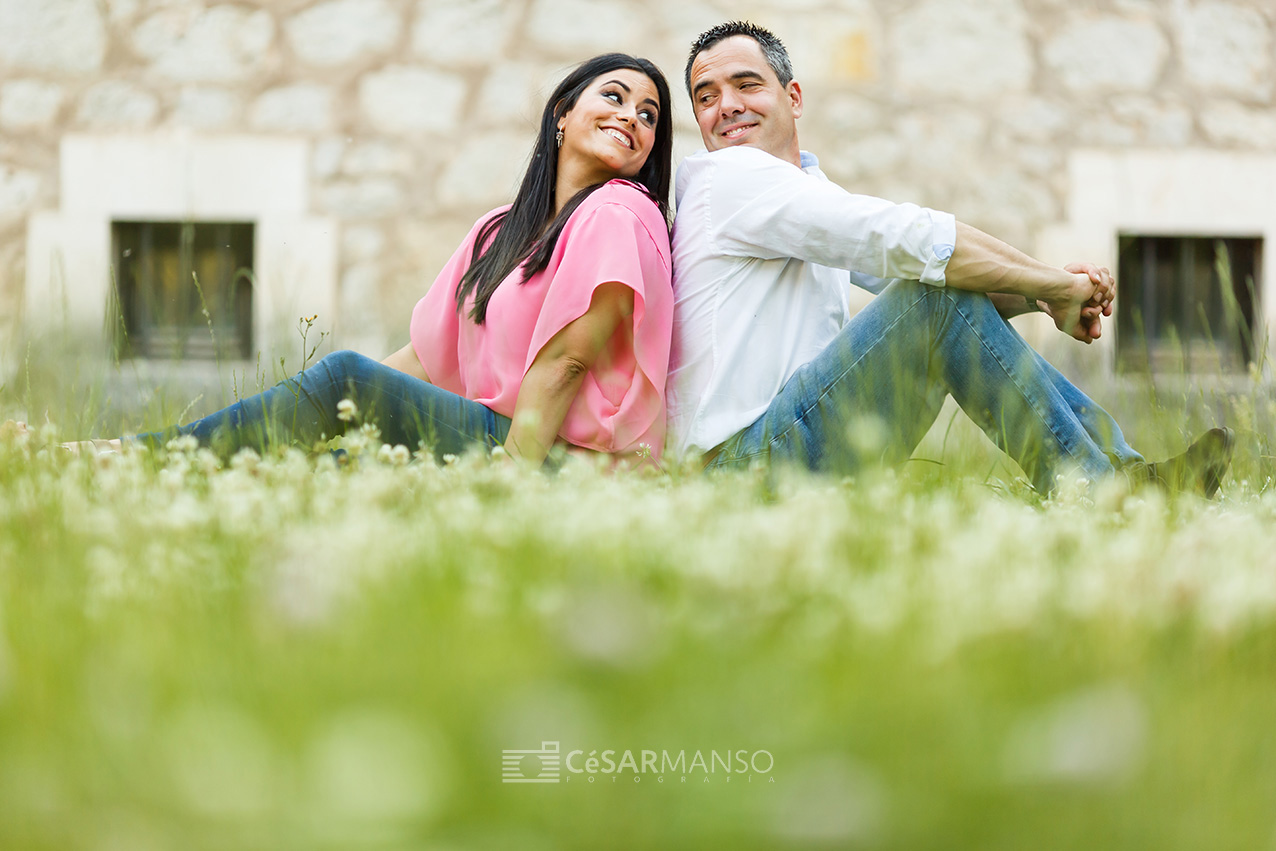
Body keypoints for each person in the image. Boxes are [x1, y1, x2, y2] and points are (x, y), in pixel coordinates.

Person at [26, 53, 676, 469]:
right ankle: (165, 481)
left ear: (650, 150)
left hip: (563, 460)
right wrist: (315, 408)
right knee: (334, 458)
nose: (632, 117)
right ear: (563, 114)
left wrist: (511, 476)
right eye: (614, 97)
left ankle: (127, 458)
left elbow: (567, 360)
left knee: (343, 376)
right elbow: (423, 361)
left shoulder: (619, 211)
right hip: (503, 438)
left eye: (649, 115)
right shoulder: (499, 234)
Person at [667, 21, 1232, 496]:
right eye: (706, 96)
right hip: (741, 468)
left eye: (746, 84)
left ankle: (1125, 477)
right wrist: (1055, 284)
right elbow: (913, 240)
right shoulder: (728, 179)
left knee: (934, 292)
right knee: (928, 291)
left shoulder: (798, 192)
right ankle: (1104, 492)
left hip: (781, 447)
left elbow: (940, 287)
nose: (727, 107)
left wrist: (1043, 293)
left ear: (792, 97)